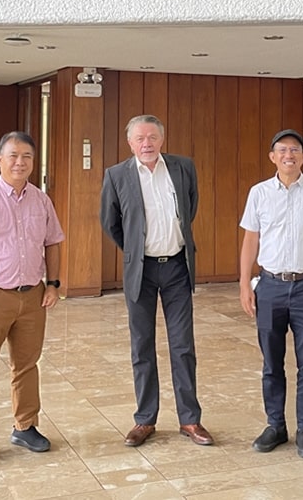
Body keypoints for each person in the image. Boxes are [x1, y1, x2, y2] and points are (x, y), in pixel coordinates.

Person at [100, 114, 214, 448]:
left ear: (162, 139)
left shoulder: (183, 167)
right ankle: (145, 419)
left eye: (152, 137)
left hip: (178, 266)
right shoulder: (117, 175)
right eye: (139, 138)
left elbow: (189, 208)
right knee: (142, 346)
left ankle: (190, 419)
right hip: (141, 270)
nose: (146, 144)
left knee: (183, 346)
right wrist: (136, 249)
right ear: (130, 142)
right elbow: (111, 222)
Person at [0, 131, 65, 466]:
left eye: (27, 157)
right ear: (0, 160)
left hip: (32, 296)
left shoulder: (41, 200)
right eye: (14, 156)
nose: (20, 163)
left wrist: (53, 284)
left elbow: (53, 242)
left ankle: (26, 426)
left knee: (27, 366)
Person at [239, 129, 303, 459]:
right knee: (271, 363)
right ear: (272, 157)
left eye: (295, 150)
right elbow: (250, 241)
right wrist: (244, 284)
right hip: (269, 286)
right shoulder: (259, 193)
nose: (289, 155)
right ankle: (275, 426)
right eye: (282, 150)